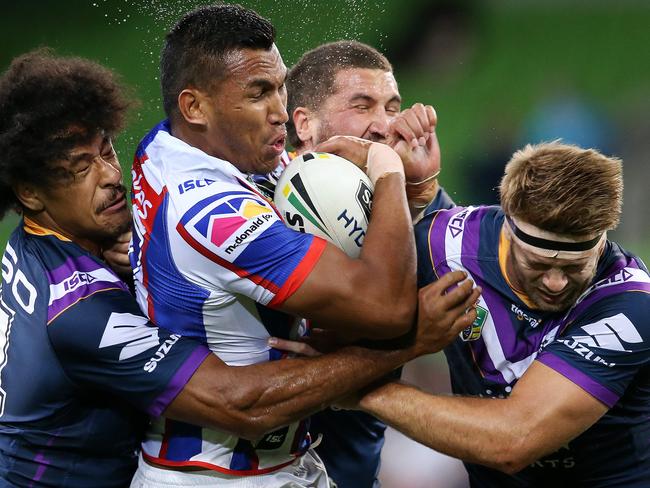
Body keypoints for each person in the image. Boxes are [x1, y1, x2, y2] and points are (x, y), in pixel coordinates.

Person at [0, 49, 479, 488]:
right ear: (29, 193)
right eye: (77, 169)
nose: (109, 175)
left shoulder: (152, 165)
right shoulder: (77, 308)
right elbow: (236, 403)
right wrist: (408, 345)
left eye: (106, 151)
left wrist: (419, 195)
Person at [129, 5, 480, 487]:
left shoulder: (172, 148)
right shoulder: (212, 215)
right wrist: (387, 174)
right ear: (195, 107)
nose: (277, 113)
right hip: (218, 475)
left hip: (282, 463)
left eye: (278, 88)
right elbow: (387, 309)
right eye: (257, 94)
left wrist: (412, 191)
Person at [352, 142, 650, 486]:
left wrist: (364, 390)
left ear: (600, 241)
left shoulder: (630, 304)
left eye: (575, 267)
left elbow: (513, 440)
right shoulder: (443, 246)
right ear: (507, 229)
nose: (555, 283)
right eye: (537, 264)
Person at [283, 40, 456, 488]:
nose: (384, 126)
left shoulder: (391, 208)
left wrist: (423, 192)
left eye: (392, 107)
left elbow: (465, 297)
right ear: (304, 123)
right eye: (362, 106)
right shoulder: (251, 211)